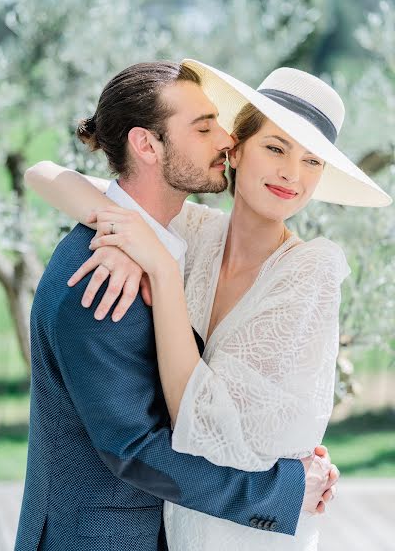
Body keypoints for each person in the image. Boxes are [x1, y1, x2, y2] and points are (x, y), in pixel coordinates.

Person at [31, 60, 392, 551]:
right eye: (275, 147)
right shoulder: (163, 248)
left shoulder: (302, 270)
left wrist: (144, 249)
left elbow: (216, 423)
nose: (292, 172)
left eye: (312, 161)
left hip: (245, 533)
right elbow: (45, 173)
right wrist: (122, 234)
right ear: (237, 150)